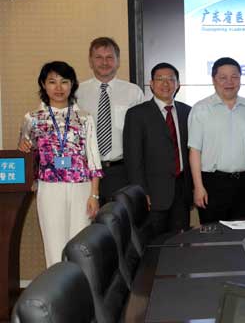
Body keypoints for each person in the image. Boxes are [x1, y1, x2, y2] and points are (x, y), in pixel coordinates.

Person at [18, 61, 103, 267]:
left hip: (81, 187)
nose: (58, 87)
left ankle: (81, 286)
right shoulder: (32, 118)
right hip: (49, 187)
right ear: (43, 84)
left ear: (72, 85)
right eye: (52, 82)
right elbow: (25, 150)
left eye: (64, 81)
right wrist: (23, 145)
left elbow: (93, 157)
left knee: (80, 246)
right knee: (53, 244)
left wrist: (94, 195)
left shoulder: (84, 118)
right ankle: (57, 286)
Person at [188, 57, 245, 224]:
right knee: (214, 235)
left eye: (234, 77)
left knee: (244, 233)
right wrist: (198, 187)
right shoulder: (201, 109)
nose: (229, 82)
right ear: (213, 80)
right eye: (223, 77)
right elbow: (194, 151)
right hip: (212, 184)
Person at [123, 62, 192, 236]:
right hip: (152, 195)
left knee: (181, 243)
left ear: (178, 84)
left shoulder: (187, 112)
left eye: (171, 79)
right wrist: (141, 193)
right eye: (160, 79)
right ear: (151, 84)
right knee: (153, 245)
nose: (166, 83)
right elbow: (133, 159)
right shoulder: (137, 114)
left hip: (182, 193)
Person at [77, 37, 144, 204]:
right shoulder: (77, 93)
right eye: (99, 57)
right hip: (86, 172)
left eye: (109, 57)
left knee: (120, 218)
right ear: (90, 61)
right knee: (88, 219)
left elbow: (143, 135)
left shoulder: (133, 92)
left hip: (121, 172)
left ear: (118, 61)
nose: (104, 62)